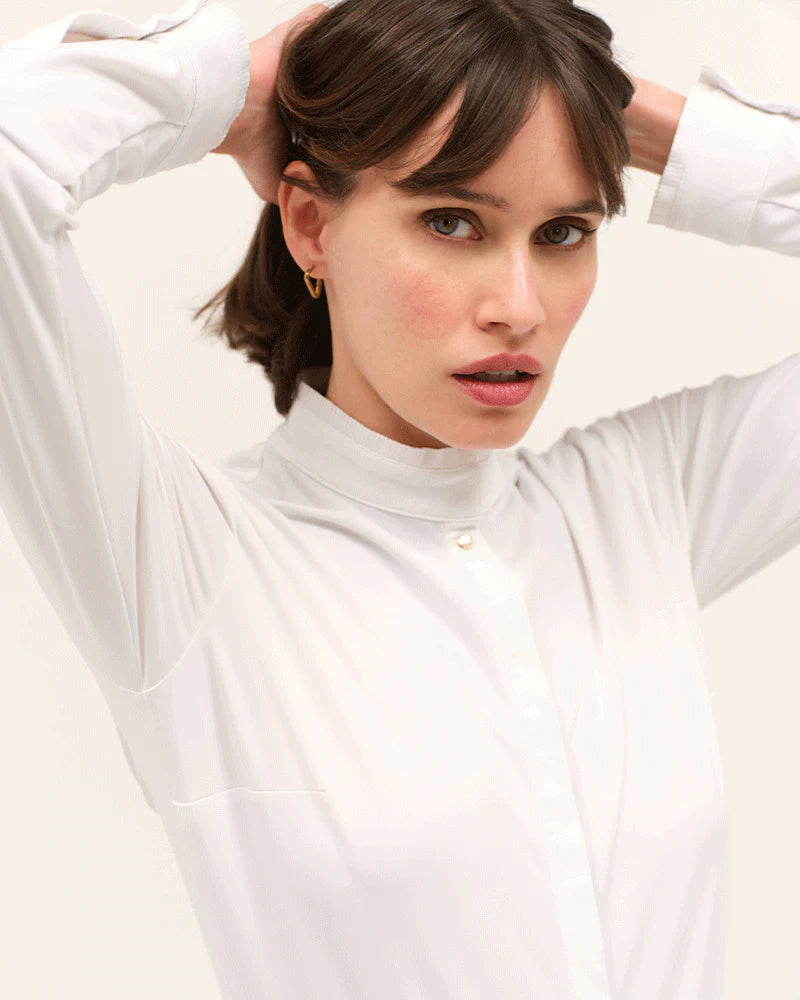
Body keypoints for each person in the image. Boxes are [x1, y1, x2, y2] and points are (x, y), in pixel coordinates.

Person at [0, 0, 797, 996]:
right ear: (309, 223)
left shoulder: (644, 502)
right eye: (451, 221)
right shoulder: (184, 563)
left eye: (562, 230)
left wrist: (617, 115)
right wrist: (241, 85)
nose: (518, 306)